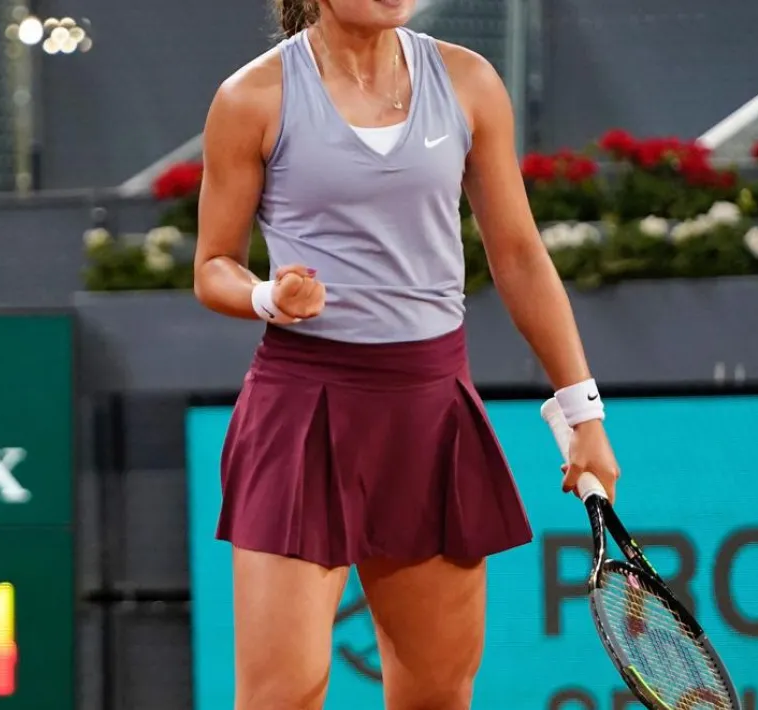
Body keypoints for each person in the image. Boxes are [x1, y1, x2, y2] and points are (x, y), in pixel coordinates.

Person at [192, 0, 621, 707]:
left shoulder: (469, 81)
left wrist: (585, 413)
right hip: (301, 412)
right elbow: (213, 265)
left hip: (429, 409)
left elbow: (518, 257)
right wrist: (270, 297)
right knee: (282, 694)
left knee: (436, 694)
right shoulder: (251, 98)